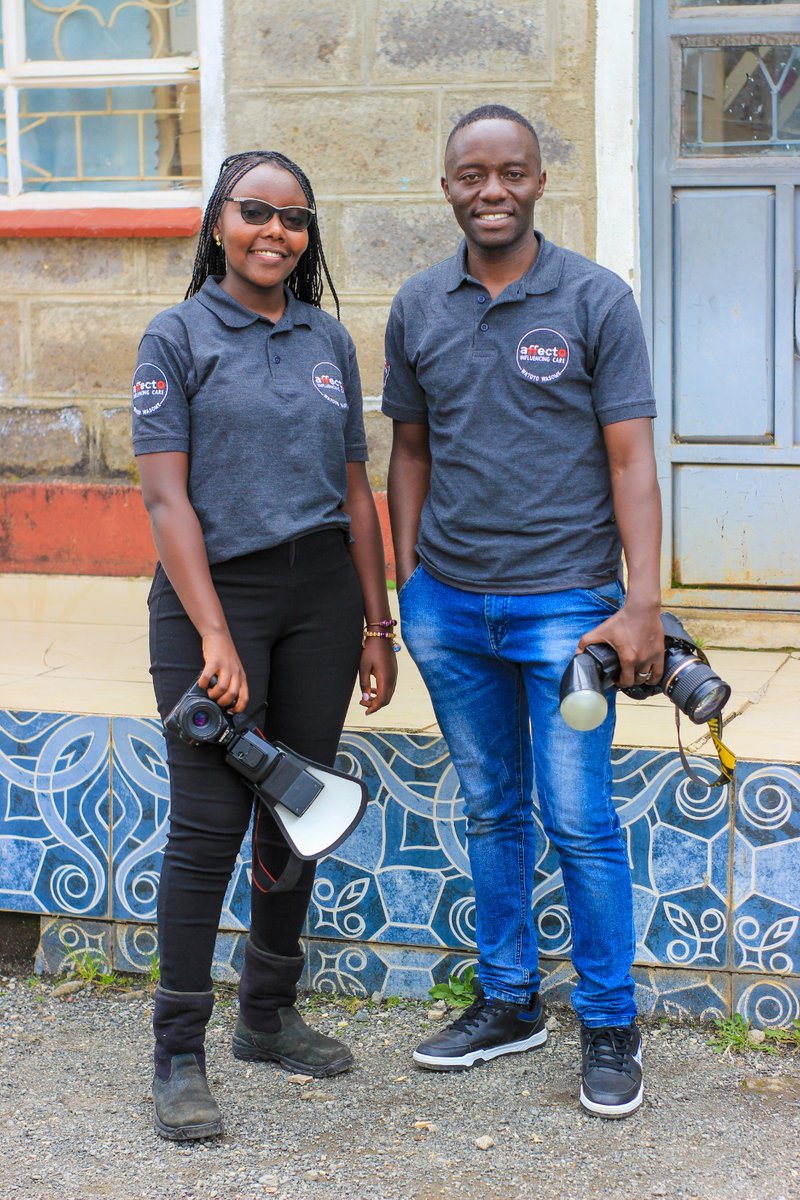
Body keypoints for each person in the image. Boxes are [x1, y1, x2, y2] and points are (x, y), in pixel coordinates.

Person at [382, 106, 663, 1119]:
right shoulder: (417, 305)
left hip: (566, 611)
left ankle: (606, 1021)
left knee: (578, 821)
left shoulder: (593, 298)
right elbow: (407, 452)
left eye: (510, 172)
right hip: (450, 608)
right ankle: (507, 1001)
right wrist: (408, 589)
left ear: (539, 180)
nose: (489, 190)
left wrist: (641, 603)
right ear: (447, 184)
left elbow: (630, 458)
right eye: (470, 174)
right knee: (491, 808)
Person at [132, 150, 397, 1141]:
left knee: (296, 817)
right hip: (216, 599)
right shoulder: (177, 336)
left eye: (292, 218)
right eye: (254, 213)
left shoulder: (329, 336)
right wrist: (212, 631)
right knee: (207, 835)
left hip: (321, 597)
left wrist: (376, 623)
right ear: (218, 224)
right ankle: (176, 1052)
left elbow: (353, 492)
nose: (273, 232)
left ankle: (268, 1015)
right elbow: (164, 495)